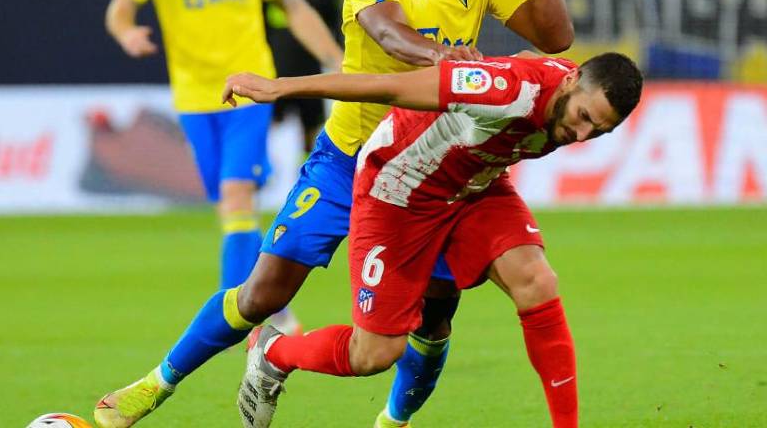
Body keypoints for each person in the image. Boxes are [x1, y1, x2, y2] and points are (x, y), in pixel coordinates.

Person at [94, 0, 572, 428]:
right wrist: (448, 59)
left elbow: (555, 36)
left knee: (434, 319)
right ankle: (151, 388)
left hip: (436, 171)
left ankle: (392, 423)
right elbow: (389, 34)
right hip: (350, 157)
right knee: (262, 293)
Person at [226, 51, 643, 428]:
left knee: (537, 281)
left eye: (598, 131)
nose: (582, 135)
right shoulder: (505, 91)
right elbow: (388, 87)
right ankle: (274, 351)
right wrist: (280, 88)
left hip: (472, 186)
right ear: (571, 81)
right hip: (397, 189)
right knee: (373, 354)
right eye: (584, 117)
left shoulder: (565, 99)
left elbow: (529, 53)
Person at [103, 0, 342, 309]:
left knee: (236, 197)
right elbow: (119, 8)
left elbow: (294, 8)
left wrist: (335, 58)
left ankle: (235, 315)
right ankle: (270, 305)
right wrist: (126, 32)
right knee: (230, 207)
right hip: (194, 96)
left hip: (248, 91)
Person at [265, 0, 343, 153]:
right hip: (274, 77)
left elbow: (338, 34)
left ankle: (307, 173)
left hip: (311, 79)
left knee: (312, 140)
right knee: (270, 141)